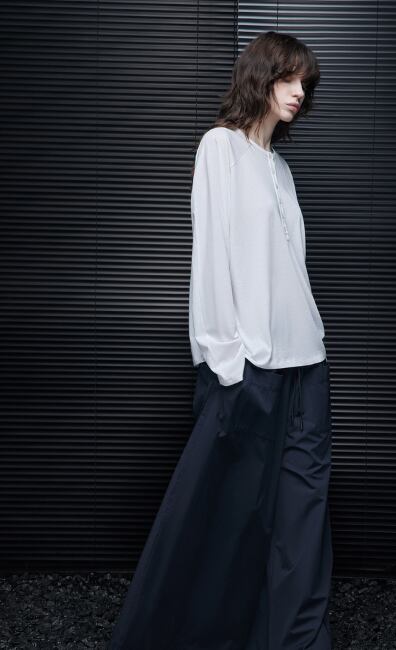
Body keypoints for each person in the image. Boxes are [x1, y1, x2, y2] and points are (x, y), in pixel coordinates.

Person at [108, 30, 333, 650]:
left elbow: (290, 269)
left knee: (303, 514)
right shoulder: (220, 148)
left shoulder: (280, 167)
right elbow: (211, 258)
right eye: (288, 78)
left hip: (308, 362)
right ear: (260, 77)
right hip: (250, 364)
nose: (299, 92)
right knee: (229, 516)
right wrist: (226, 361)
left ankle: (299, 641)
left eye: (305, 83)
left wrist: (315, 338)